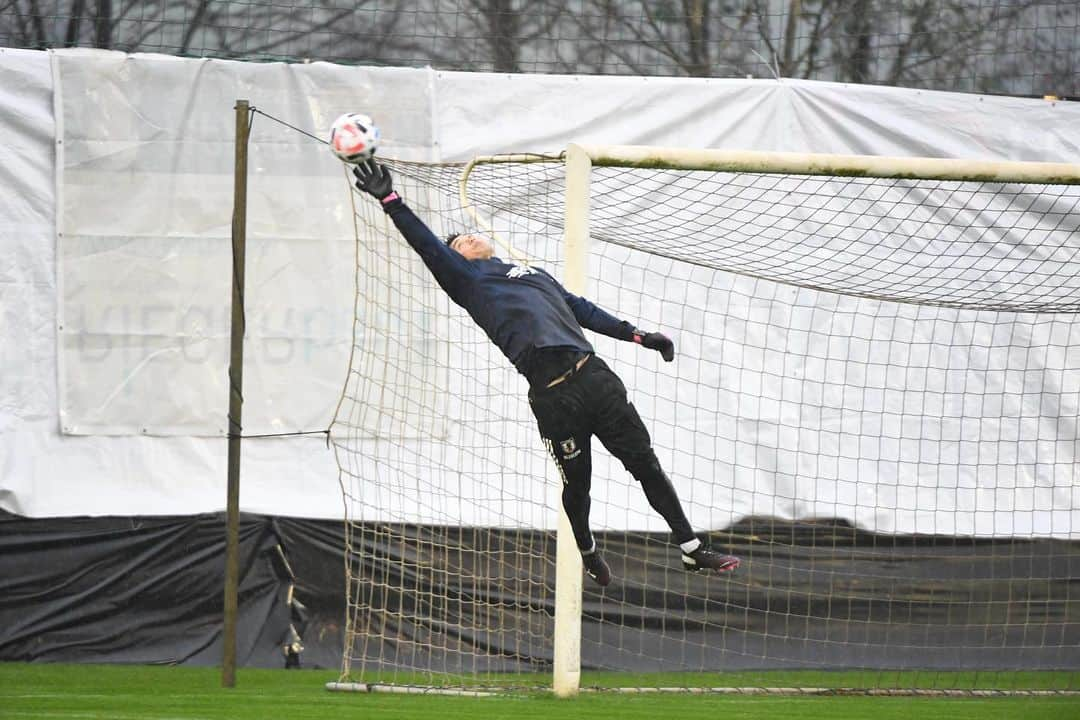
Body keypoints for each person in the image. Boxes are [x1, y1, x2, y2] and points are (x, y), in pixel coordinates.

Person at [353, 159, 741, 587]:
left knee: (645, 464)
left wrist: (640, 336)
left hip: (595, 378)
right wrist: (391, 200)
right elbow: (427, 245)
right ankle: (588, 551)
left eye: (468, 234)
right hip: (554, 398)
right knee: (578, 485)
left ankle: (690, 548)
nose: (469, 237)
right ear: (457, 258)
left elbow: (582, 310)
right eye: (460, 241)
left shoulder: (534, 273)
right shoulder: (465, 279)